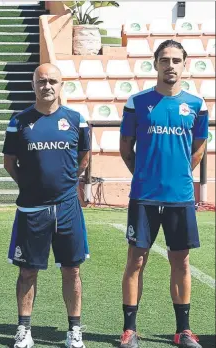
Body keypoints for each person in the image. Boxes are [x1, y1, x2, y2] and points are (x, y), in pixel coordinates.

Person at [118, 39, 208, 348]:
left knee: (180, 263)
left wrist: (178, 176)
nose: (170, 65)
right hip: (144, 195)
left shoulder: (197, 104)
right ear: (155, 64)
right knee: (136, 261)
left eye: (176, 60)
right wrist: (146, 176)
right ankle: (129, 330)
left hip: (180, 197)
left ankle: (183, 330)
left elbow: (198, 150)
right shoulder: (137, 102)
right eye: (164, 59)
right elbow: (125, 149)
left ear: (185, 65)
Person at [2, 63, 91, 348]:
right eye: (41, 81)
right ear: (33, 85)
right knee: (27, 270)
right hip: (32, 208)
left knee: (72, 270)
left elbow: (84, 157)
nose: (47, 86)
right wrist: (29, 186)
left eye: (53, 81)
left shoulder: (77, 120)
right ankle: (24, 329)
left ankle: (74, 330)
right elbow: (9, 162)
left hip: (67, 208)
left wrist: (65, 183)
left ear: (61, 84)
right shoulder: (19, 121)